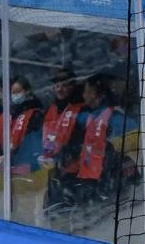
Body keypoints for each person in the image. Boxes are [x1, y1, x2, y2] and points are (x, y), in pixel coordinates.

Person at [70, 75, 134, 220]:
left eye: (87, 91)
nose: (84, 95)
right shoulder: (90, 116)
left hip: (104, 173)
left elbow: (131, 130)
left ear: (94, 94)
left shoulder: (112, 116)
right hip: (93, 173)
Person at [38, 67, 85, 223]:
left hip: (76, 171)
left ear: (72, 86)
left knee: (74, 215)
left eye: (64, 85)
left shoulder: (82, 109)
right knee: (54, 212)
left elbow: (83, 141)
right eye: (57, 85)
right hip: (56, 170)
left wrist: (64, 156)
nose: (59, 89)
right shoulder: (52, 109)